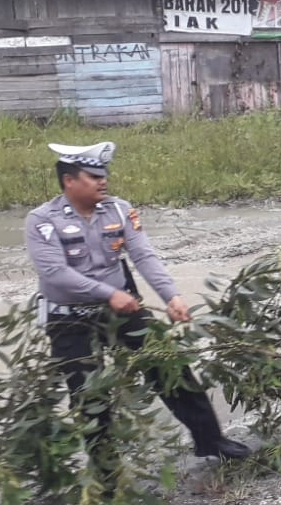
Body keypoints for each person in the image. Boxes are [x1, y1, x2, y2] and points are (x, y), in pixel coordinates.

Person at [24, 141, 251, 463]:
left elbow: (143, 255)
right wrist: (110, 294)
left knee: (170, 368)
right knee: (89, 395)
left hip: (123, 310)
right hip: (69, 318)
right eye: (92, 175)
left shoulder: (118, 209)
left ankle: (211, 441)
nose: (102, 180)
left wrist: (171, 296)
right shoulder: (42, 220)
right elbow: (54, 273)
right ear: (69, 180)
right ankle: (106, 472)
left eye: (104, 174)